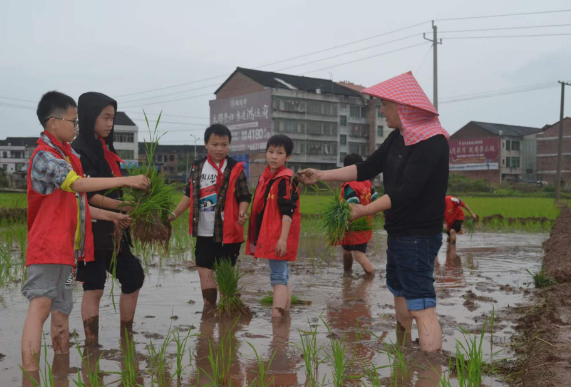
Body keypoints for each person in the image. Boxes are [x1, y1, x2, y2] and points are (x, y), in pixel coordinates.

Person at [297, 72, 449, 352]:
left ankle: (428, 374)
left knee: (421, 304)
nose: (381, 109)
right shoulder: (397, 138)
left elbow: (407, 191)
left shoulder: (432, 142)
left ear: (403, 107)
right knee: (400, 294)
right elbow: (365, 168)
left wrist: (364, 209)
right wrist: (320, 174)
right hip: (399, 232)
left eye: (384, 104)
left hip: (419, 235)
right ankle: (405, 357)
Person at [21, 91, 150, 371]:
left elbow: (79, 206)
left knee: (61, 308)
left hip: (69, 256)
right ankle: (29, 382)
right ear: (53, 122)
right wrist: (127, 181)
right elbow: (77, 186)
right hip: (47, 252)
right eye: (72, 120)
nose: (76, 126)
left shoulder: (66, 155)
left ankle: (62, 371)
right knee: (41, 307)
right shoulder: (46, 157)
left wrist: (112, 215)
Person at [72, 92, 146, 343]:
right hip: (92, 229)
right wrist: (123, 207)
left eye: (112, 118)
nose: (109, 124)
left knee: (133, 275)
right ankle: (91, 344)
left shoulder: (106, 147)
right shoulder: (79, 151)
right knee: (94, 285)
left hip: (115, 229)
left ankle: (127, 333)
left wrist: (128, 206)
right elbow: (88, 195)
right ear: (89, 116)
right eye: (105, 117)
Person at [168, 124, 251, 308]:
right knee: (204, 270)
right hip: (203, 231)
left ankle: (227, 310)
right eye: (215, 144)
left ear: (229, 145)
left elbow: (244, 196)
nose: (219, 149)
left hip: (227, 232)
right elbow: (189, 194)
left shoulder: (235, 167)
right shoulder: (197, 167)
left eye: (224, 144)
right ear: (206, 144)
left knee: (225, 273)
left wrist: (242, 212)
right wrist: (174, 214)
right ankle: (209, 309)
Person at [246, 134, 300, 318]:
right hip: (269, 236)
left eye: (279, 153)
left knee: (277, 278)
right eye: (270, 152)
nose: (273, 156)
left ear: (288, 157)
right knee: (282, 276)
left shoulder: (284, 180)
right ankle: (285, 318)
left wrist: (283, 239)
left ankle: (277, 322)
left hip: (277, 237)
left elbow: (288, 211)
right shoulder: (267, 177)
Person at [339, 153, 377, 276]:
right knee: (347, 251)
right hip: (364, 225)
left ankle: (370, 276)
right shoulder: (367, 183)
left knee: (357, 255)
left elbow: (353, 202)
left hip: (352, 226)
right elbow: (375, 198)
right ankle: (347, 275)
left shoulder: (349, 185)